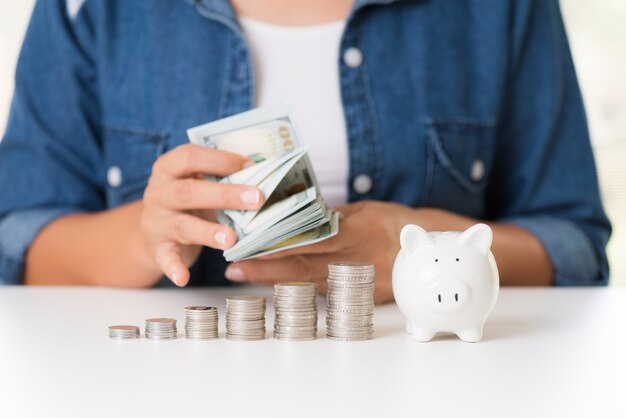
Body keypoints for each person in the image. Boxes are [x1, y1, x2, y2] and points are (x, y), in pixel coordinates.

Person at [0, 0, 611, 302]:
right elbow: (17, 245)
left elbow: (573, 247)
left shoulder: (501, 7)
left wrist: (418, 253)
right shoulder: (90, 7)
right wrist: (141, 237)